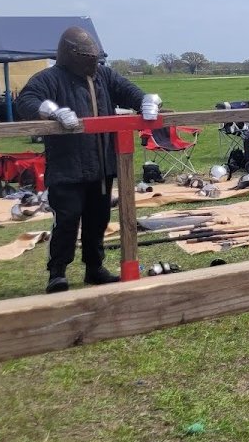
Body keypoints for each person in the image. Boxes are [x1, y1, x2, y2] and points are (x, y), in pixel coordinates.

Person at [16, 27, 162, 293]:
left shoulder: (103, 76)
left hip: (101, 166)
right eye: (85, 55)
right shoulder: (50, 78)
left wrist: (146, 102)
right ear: (71, 54)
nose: (91, 61)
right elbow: (26, 101)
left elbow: (130, 92)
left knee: (99, 219)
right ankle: (57, 272)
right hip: (67, 167)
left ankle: (94, 268)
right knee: (68, 219)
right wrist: (54, 111)